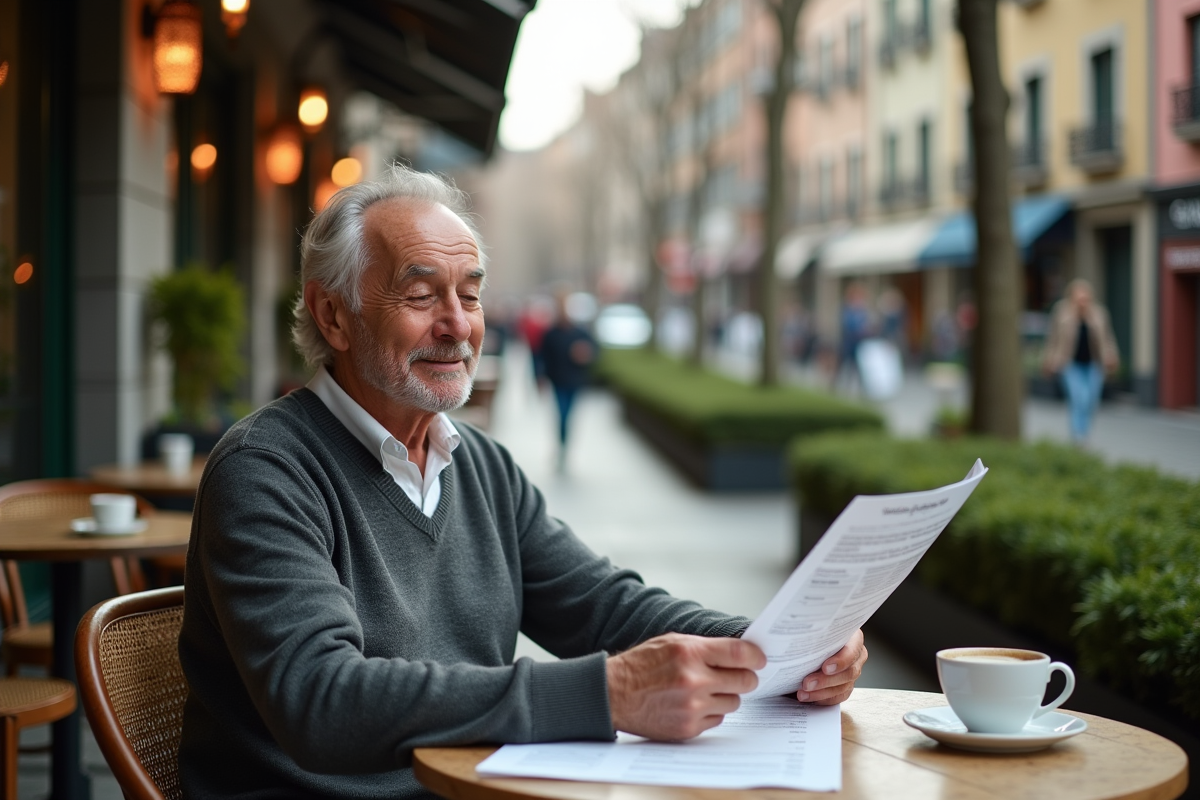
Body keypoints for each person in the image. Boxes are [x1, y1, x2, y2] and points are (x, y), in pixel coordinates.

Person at [178, 165, 867, 799]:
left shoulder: (480, 465)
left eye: (471, 295)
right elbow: (321, 699)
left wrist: (777, 644)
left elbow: (605, 608)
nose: (458, 326)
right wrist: (604, 692)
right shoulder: (265, 469)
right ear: (332, 315)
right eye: (422, 295)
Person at [1042, 278, 1120, 444]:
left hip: (1094, 364)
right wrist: (1049, 360)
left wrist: (1111, 355)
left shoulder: (1099, 314)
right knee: (1079, 398)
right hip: (1070, 364)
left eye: (1085, 298)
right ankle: (1078, 435)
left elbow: (1108, 338)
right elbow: (1053, 338)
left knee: (1091, 399)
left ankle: (1084, 431)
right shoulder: (1062, 312)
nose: (1082, 302)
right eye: (1079, 299)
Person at [540, 294, 596, 465]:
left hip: (575, 380)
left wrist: (585, 354)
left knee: (569, 414)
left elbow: (594, 351)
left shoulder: (581, 333)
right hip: (557, 380)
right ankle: (562, 444)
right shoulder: (551, 333)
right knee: (562, 414)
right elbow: (543, 356)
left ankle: (565, 445)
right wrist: (540, 377)